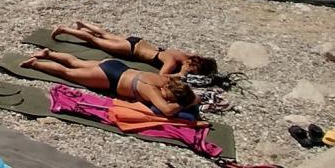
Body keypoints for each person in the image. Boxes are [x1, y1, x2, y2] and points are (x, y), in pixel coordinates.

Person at [19, 50, 202, 119]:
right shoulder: (152, 90)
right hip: (109, 78)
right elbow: (167, 110)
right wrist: (184, 104)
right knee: (68, 73)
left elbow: (193, 95)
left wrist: (192, 99)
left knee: (75, 61)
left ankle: (49, 53)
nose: (166, 99)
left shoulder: (168, 80)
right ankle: (35, 64)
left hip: (117, 66)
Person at [50, 21, 218, 76]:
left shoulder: (183, 55)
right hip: (131, 50)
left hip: (137, 41)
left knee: (105, 34)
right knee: (96, 41)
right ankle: (64, 29)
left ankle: (83, 23)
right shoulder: (173, 61)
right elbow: (163, 75)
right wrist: (180, 74)